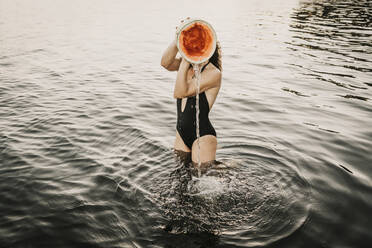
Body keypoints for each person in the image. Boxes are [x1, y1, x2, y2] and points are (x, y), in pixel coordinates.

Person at [160, 18, 222, 168]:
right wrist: (178, 39)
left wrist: (186, 59)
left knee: (202, 182)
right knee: (179, 177)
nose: (193, 46)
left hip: (202, 137)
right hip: (181, 133)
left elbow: (180, 92)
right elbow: (165, 63)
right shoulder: (187, 66)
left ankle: (225, 169)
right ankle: (222, 166)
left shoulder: (213, 73)